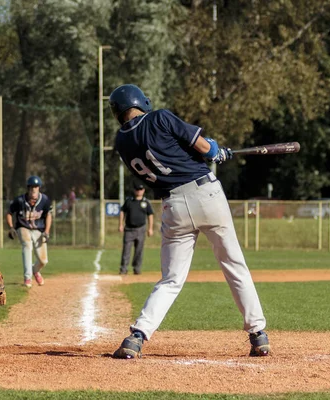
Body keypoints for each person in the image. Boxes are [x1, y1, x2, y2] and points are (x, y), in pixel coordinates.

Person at [108, 84, 270, 359]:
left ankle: (137, 337)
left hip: (173, 206)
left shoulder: (121, 143)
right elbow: (202, 147)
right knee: (234, 265)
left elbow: (168, 156)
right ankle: (258, 334)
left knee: (171, 279)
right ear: (140, 102)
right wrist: (216, 152)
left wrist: (207, 153)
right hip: (206, 194)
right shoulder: (159, 117)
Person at [6, 176, 52, 288]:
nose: (34, 190)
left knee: (43, 260)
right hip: (23, 227)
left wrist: (46, 231)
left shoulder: (44, 200)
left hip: (38, 230)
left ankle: (35, 270)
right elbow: (9, 213)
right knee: (27, 245)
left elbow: (48, 215)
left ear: (39, 188)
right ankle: (28, 277)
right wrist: (11, 227)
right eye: (31, 187)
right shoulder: (20, 200)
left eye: (36, 187)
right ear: (28, 188)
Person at [118, 182, 154, 275]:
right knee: (126, 250)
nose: (139, 191)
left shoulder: (146, 202)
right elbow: (122, 211)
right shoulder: (129, 201)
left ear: (143, 190)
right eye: (137, 189)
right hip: (129, 229)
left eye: (140, 189)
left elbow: (150, 215)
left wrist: (150, 228)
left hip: (140, 229)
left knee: (139, 250)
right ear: (134, 190)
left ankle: (137, 268)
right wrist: (120, 224)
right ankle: (123, 268)